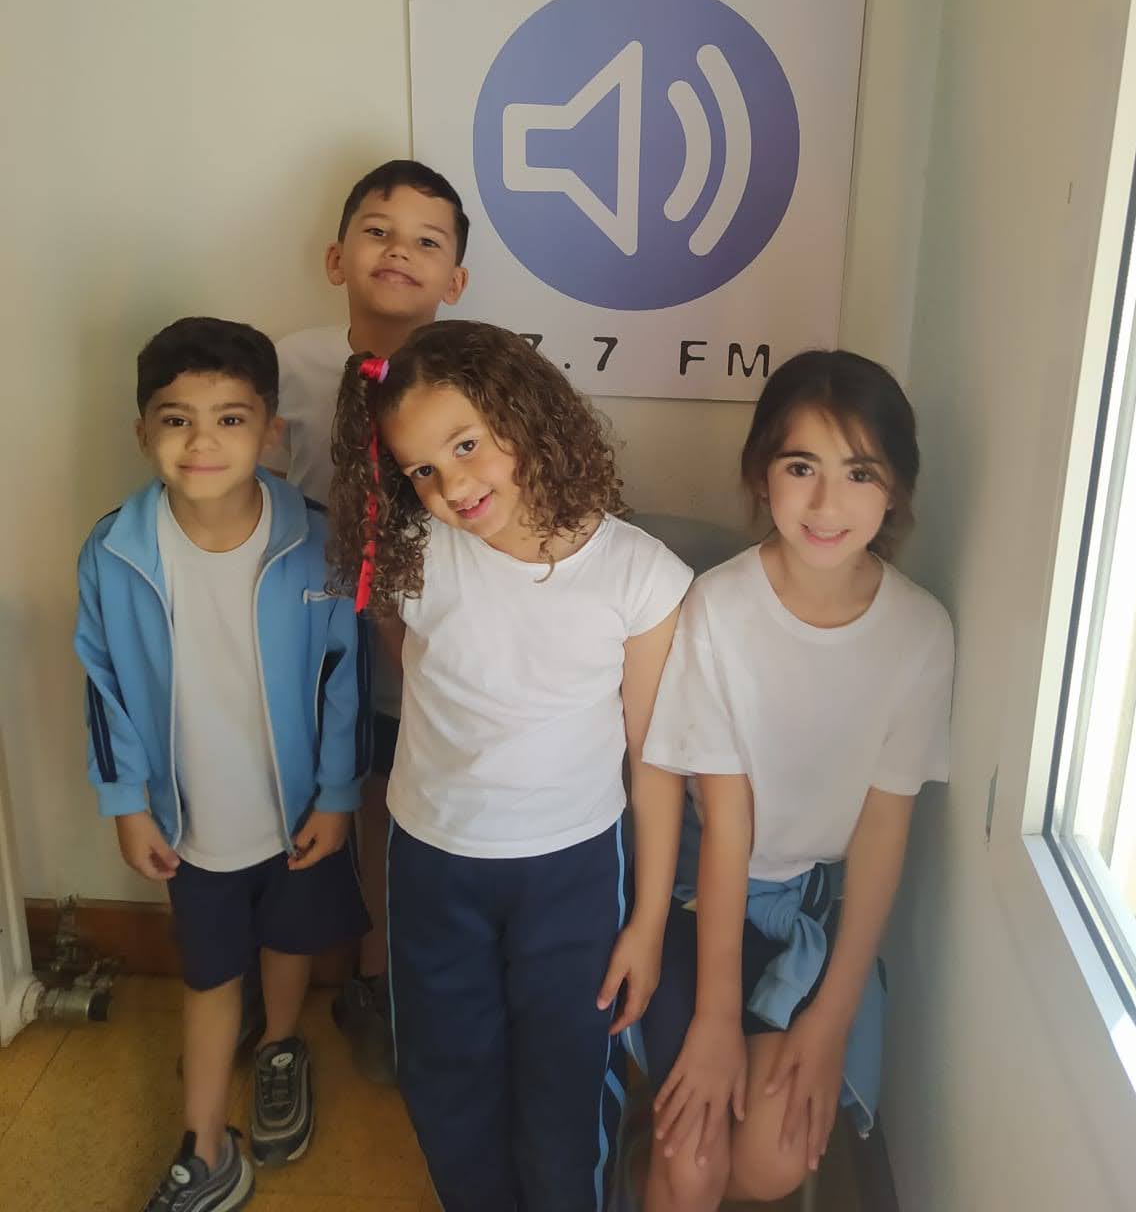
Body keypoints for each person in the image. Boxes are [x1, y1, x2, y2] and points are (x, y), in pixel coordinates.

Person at [325, 320, 693, 1212]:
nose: (453, 486)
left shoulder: (640, 576)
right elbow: (410, 657)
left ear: (525, 414)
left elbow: (655, 763)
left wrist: (647, 923)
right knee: (449, 1082)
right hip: (432, 864)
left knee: (565, 1095)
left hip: (571, 872)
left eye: (466, 446)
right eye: (422, 470)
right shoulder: (414, 553)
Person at [637, 349, 954, 1210]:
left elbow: (883, 831)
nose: (825, 504)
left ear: (895, 490)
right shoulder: (718, 607)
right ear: (761, 475)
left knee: (771, 1164)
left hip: (810, 917)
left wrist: (830, 1017)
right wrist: (714, 1018)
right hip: (703, 904)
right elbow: (727, 826)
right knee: (693, 1163)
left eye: (859, 473)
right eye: (801, 467)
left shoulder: (921, 632)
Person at [76, 317, 369, 1211]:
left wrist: (338, 794)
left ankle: (280, 1045)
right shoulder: (115, 551)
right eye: (177, 419)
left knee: (288, 943)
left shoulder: (317, 539)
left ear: (271, 430)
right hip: (188, 819)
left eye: (230, 419)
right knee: (208, 976)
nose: (202, 442)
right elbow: (104, 685)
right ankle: (204, 1148)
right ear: (142, 431)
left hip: (297, 810)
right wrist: (127, 802)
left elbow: (345, 679)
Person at [264, 158, 468, 1079]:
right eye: (378, 231)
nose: (400, 252)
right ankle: (313, 990)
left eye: (427, 241)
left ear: (455, 280)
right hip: (308, 637)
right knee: (322, 802)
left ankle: (399, 981)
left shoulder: (473, 376)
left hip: (419, 639)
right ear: (335, 256)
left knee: (402, 803)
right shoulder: (283, 365)